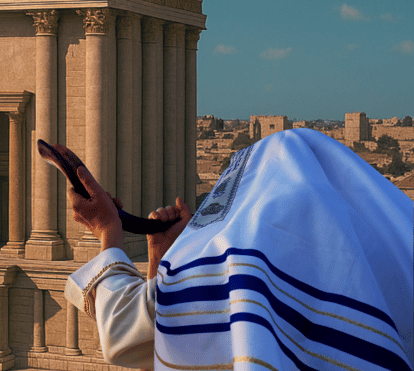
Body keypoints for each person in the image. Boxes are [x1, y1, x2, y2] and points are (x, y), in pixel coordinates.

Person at [63, 128, 413, 370]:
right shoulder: (384, 275)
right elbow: (160, 350)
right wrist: (163, 257)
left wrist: (107, 230)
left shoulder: (249, 279)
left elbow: (124, 333)